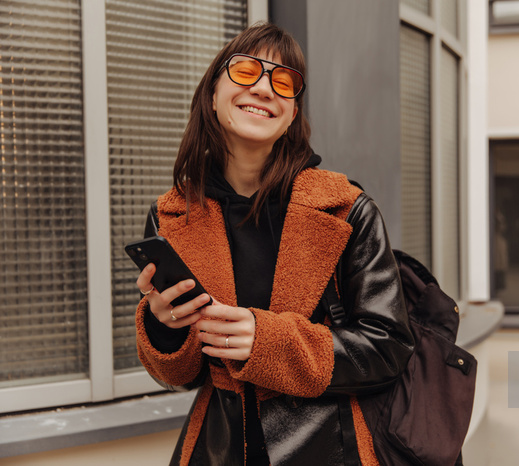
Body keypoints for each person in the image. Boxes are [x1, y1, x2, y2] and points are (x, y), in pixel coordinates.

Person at [134, 22, 414, 466]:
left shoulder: (346, 209)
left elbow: (389, 347)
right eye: (246, 71)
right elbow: (180, 375)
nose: (265, 88)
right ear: (212, 93)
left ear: (291, 115)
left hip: (329, 446)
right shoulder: (172, 216)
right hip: (218, 447)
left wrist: (266, 341)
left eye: (284, 82)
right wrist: (164, 326)